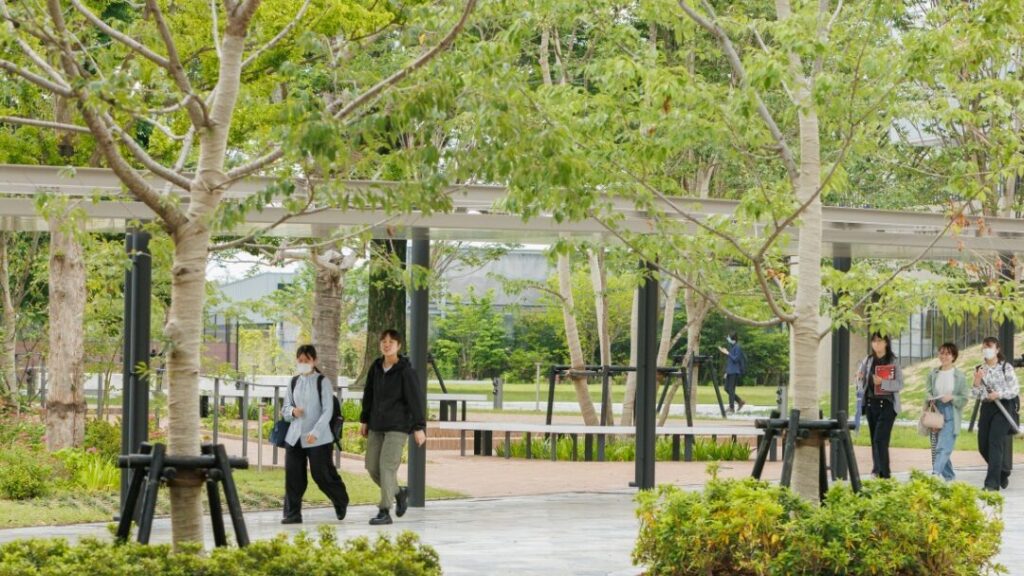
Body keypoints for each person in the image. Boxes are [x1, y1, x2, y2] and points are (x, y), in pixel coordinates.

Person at [360, 329, 427, 525]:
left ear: (398, 346)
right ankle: (398, 492)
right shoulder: (375, 367)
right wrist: (364, 420)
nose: (387, 344)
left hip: (397, 427)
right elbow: (368, 394)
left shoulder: (406, 371)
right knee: (372, 467)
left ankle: (384, 511)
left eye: (391, 341)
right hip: (376, 425)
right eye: (384, 341)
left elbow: (415, 400)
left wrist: (419, 427)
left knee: (387, 467)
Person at [280, 344, 349, 524]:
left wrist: (315, 432)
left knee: (321, 474)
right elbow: (285, 408)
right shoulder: (293, 382)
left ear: (314, 360)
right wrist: (292, 411)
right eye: (300, 360)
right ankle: (293, 514)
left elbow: (327, 411)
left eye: (307, 360)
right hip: (295, 437)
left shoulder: (322, 382)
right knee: (293, 476)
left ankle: (340, 499)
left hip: (318, 438)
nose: (303, 363)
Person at [972, 336, 1020, 491]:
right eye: (984, 347)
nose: (986, 350)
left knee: (995, 443)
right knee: (983, 445)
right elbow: (975, 394)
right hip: (987, 408)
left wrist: (998, 394)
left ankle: (991, 484)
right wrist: (977, 382)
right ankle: (1002, 471)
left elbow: (1014, 390)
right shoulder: (979, 369)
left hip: (1003, 407)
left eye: (990, 347)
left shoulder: (1006, 367)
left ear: (997, 349)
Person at [854, 333, 904, 479]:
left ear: (886, 343)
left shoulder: (893, 361)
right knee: (874, 440)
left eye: (879, 341)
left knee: (880, 439)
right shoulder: (868, 360)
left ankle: (884, 474)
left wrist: (883, 382)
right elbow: (860, 383)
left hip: (887, 406)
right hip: (871, 405)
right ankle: (877, 470)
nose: (876, 344)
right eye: (874, 341)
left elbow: (899, 384)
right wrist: (859, 378)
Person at [921, 342, 969, 481]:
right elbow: (928, 391)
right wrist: (930, 398)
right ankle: (950, 478)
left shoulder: (959, 376)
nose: (944, 356)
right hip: (935, 412)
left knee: (944, 447)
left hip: (950, 412)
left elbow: (964, 399)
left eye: (948, 353)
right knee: (938, 447)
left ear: (953, 356)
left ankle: (935, 475)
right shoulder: (933, 373)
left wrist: (952, 398)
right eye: (942, 353)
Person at [717, 333, 746, 414]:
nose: (728, 339)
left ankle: (731, 407)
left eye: (729, 338)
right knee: (726, 388)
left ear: (733, 339)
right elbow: (730, 361)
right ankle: (740, 401)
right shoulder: (732, 346)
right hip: (730, 371)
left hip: (735, 371)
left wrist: (727, 353)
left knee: (731, 389)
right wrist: (726, 372)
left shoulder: (738, 347)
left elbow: (735, 359)